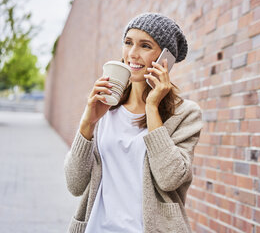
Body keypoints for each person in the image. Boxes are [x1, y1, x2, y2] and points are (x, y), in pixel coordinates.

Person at [64, 13, 203, 233]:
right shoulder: (105, 106)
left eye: (145, 46)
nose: (132, 54)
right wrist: (87, 123)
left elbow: (170, 179)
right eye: (128, 43)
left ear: (165, 59)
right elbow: (75, 184)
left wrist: (152, 108)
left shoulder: (186, 114)